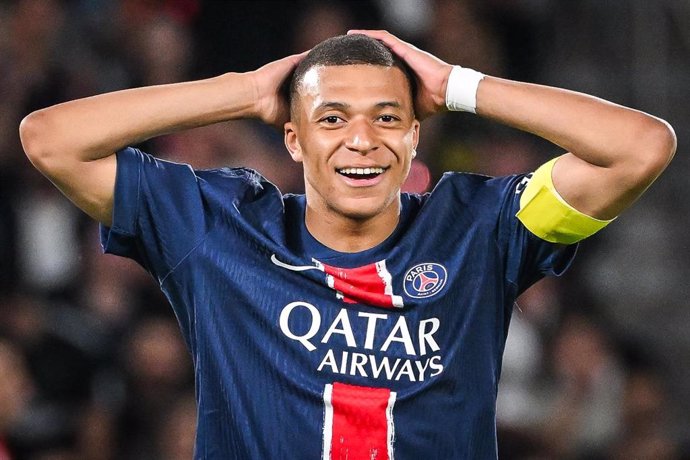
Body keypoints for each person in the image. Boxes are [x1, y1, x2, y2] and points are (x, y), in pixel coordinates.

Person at [19, 30, 675, 459]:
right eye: (331, 119)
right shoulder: (219, 226)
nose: (362, 139)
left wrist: (460, 86)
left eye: (388, 118)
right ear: (294, 139)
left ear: (416, 136)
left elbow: (640, 148)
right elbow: (50, 139)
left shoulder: (480, 228)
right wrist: (243, 91)